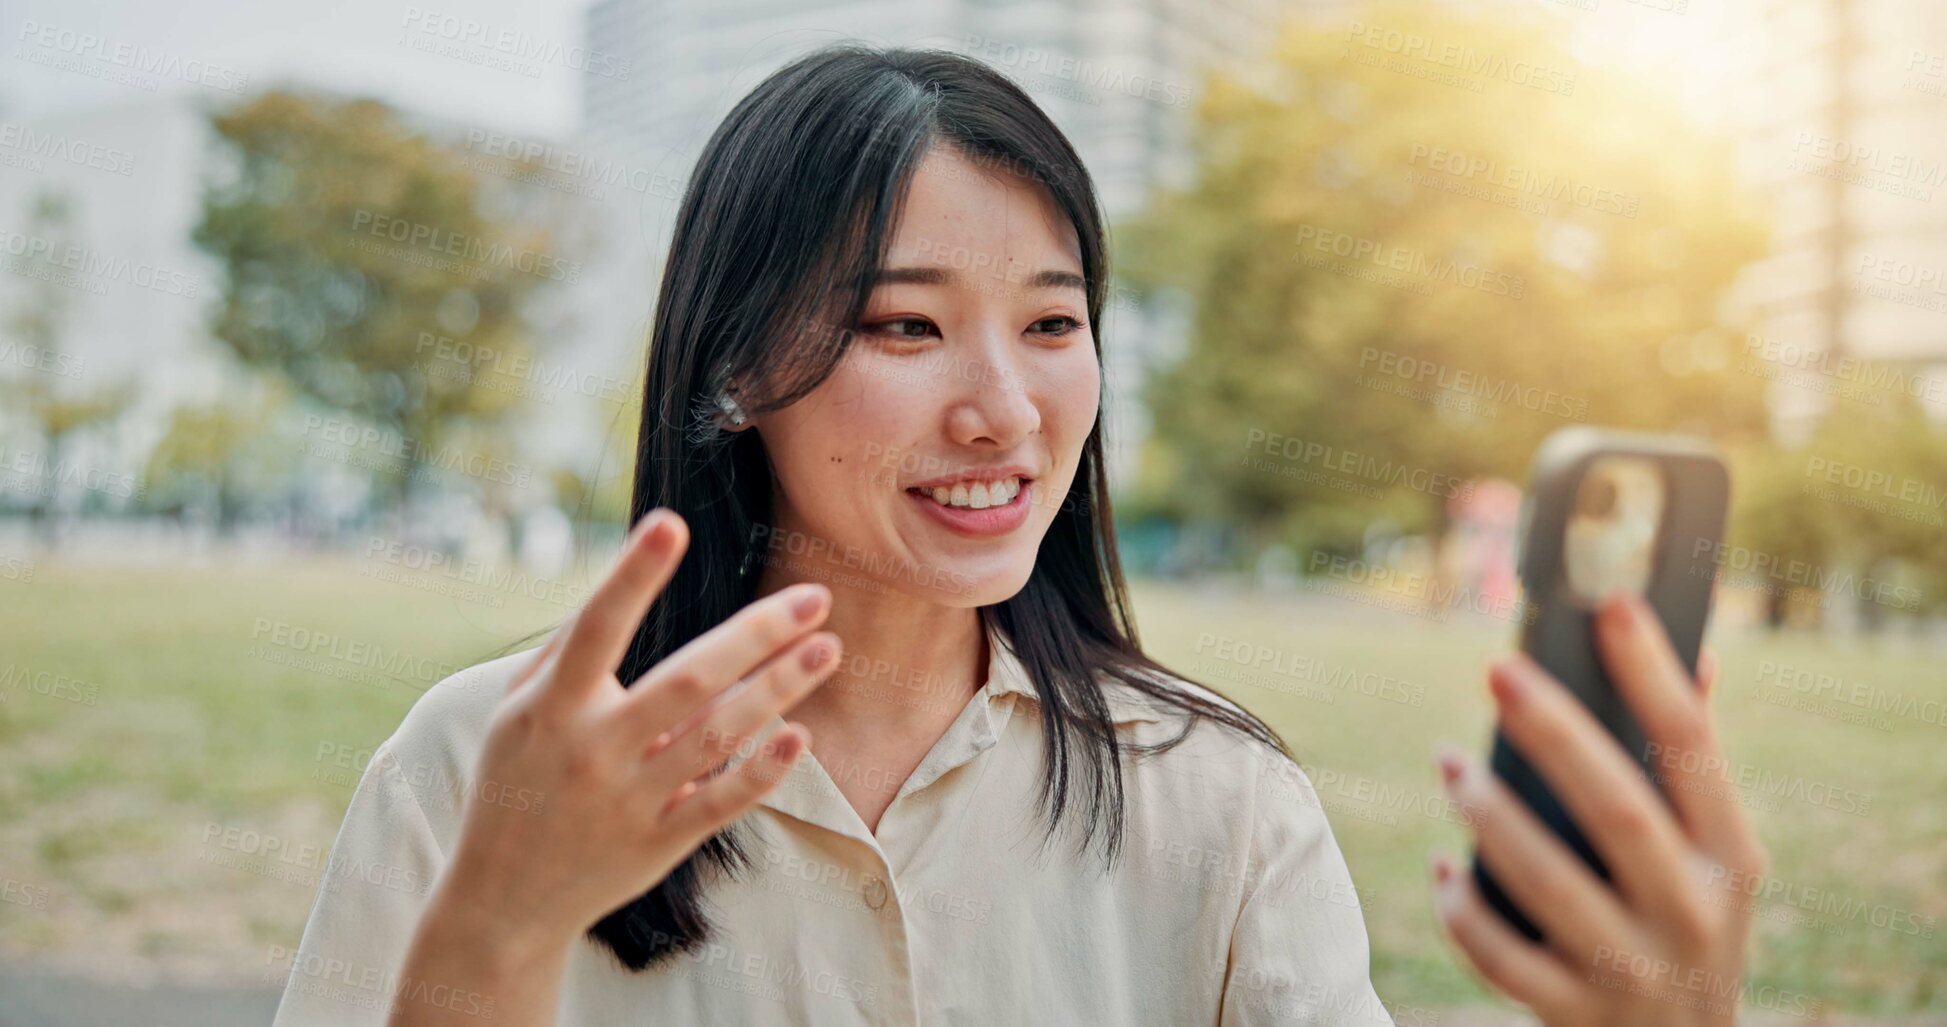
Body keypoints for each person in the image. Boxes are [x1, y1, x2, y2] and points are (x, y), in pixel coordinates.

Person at [271, 45, 1766, 1027]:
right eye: (905, 324)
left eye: (1053, 323)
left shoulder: (1219, 808)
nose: (1006, 410)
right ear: (734, 373)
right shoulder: (475, 770)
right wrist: (493, 936)